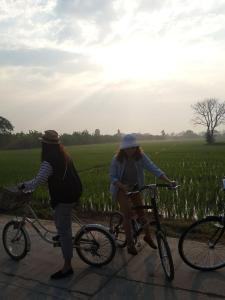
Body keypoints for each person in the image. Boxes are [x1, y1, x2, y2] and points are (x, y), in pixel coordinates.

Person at [19, 130, 82, 279]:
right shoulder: (64, 155)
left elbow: (37, 181)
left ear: (45, 145)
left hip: (64, 197)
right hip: (73, 192)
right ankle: (61, 236)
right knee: (60, 219)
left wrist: (23, 186)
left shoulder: (49, 160)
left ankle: (67, 267)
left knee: (64, 230)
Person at [109, 134, 175, 255]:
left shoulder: (140, 157)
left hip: (135, 188)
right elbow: (112, 177)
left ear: (137, 147)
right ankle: (129, 244)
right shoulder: (117, 159)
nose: (131, 150)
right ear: (123, 149)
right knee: (127, 215)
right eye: (128, 148)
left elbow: (153, 168)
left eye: (133, 147)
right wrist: (123, 187)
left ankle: (148, 236)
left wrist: (168, 181)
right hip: (121, 189)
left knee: (141, 213)